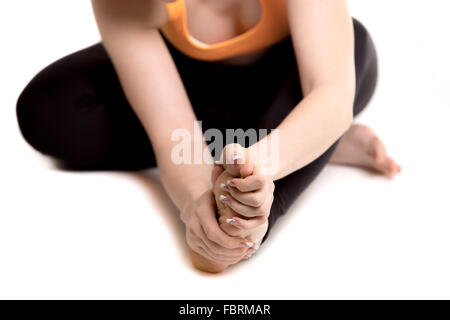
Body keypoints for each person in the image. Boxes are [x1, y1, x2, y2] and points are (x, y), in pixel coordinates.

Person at [16, 0, 401, 273]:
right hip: (194, 86)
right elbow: (171, 131)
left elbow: (331, 94)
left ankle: (299, 142)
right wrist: (196, 208)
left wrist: (257, 170)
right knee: (50, 111)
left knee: (355, 46)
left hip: (287, 79)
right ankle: (315, 142)